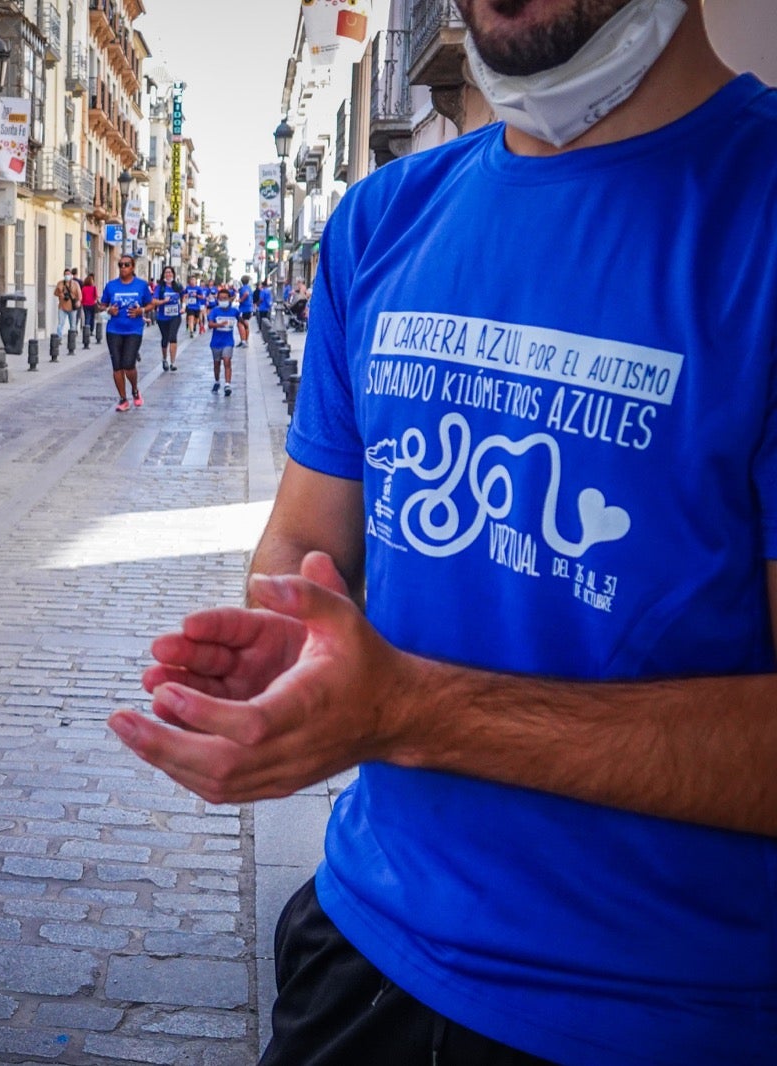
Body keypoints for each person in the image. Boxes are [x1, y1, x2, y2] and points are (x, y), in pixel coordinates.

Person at [110, 4, 777, 1063]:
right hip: (357, 954)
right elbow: (300, 546)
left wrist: (407, 709)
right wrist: (291, 651)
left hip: (667, 1016)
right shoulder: (380, 218)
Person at [97, 254, 157, 412]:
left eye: (126, 265)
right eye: (120, 265)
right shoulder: (111, 286)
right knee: (117, 366)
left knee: (128, 364)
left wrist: (141, 310)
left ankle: (135, 390)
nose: (123, 268)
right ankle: (123, 399)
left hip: (133, 329)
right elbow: (102, 306)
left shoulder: (141, 286)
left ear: (132, 267)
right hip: (114, 329)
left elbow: (151, 304)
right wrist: (109, 309)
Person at [205, 285, 241, 398]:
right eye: (220, 298)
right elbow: (210, 325)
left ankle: (227, 385)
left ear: (230, 299)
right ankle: (217, 381)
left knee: (227, 361)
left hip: (228, 341)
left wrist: (244, 325)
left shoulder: (234, 311)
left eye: (225, 298)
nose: (223, 300)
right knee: (216, 364)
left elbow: (241, 320)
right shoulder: (215, 311)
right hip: (216, 342)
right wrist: (219, 324)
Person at [152, 265, 184, 372]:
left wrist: (183, 307)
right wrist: (163, 301)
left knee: (173, 337)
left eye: (170, 272)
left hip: (175, 316)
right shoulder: (160, 287)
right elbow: (154, 301)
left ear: (173, 274)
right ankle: (164, 359)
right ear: (163, 275)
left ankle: (173, 362)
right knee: (165, 338)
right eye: (166, 272)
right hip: (162, 317)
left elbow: (185, 296)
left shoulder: (178, 286)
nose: (168, 274)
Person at [53, 267, 82, 341]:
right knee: (60, 324)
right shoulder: (60, 283)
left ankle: (72, 340)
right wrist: (60, 293)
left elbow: (79, 295)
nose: (67, 276)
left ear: (71, 275)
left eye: (68, 274)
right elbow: (55, 293)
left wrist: (78, 301)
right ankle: (59, 338)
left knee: (73, 325)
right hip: (62, 307)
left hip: (72, 308)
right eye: (66, 274)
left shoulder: (75, 284)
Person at [183, 274, 206, 339]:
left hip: (197, 306)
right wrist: (186, 297)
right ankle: (191, 332)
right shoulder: (187, 288)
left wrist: (196, 295)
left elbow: (202, 297)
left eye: (193, 280)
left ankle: (194, 325)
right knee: (190, 318)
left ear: (196, 281)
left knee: (196, 319)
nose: (192, 281)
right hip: (190, 306)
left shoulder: (198, 288)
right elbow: (184, 295)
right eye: (191, 280)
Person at [79, 272, 99, 348]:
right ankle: (91, 331)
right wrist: (94, 300)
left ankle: (86, 330)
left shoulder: (83, 288)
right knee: (92, 318)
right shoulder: (94, 288)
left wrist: (81, 303)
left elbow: (82, 297)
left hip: (85, 304)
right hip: (92, 304)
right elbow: (96, 296)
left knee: (87, 317)